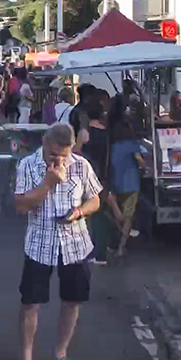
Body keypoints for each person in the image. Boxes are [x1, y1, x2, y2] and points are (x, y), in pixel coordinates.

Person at [14, 123, 102, 360]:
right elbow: (21, 207)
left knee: (72, 301)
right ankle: (27, 356)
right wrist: (48, 183)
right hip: (39, 244)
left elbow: (95, 200)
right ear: (44, 143)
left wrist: (80, 212)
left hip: (75, 244)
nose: (60, 161)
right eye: (54, 155)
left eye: (64, 155)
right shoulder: (28, 165)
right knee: (30, 303)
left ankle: (61, 352)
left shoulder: (81, 165)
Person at [107, 109, 147, 258]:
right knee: (128, 216)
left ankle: (118, 239)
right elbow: (139, 160)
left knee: (118, 214)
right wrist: (144, 167)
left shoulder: (113, 146)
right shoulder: (133, 144)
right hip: (131, 183)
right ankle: (121, 246)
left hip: (116, 182)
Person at [76, 100, 110, 265]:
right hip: (102, 173)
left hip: (87, 175)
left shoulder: (84, 132)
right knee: (101, 214)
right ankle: (100, 251)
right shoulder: (106, 132)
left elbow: (76, 153)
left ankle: (94, 252)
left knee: (89, 215)